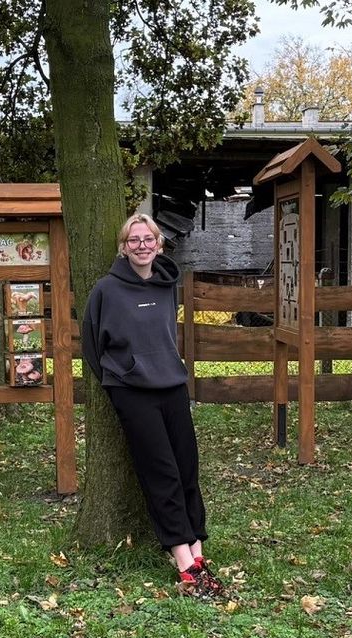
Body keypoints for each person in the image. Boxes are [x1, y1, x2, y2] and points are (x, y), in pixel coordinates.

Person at [81, 213, 223, 597]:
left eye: (148, 239)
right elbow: (91, 345)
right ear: (123, 247)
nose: (142, 246)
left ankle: (198, 549)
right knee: (160, 472)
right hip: (132, 391)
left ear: (159, 244)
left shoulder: (166, 284)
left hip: (172, 385)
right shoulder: (106, 290)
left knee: (186, 468)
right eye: (134, 240)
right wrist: (121, 376)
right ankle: (183, 561)